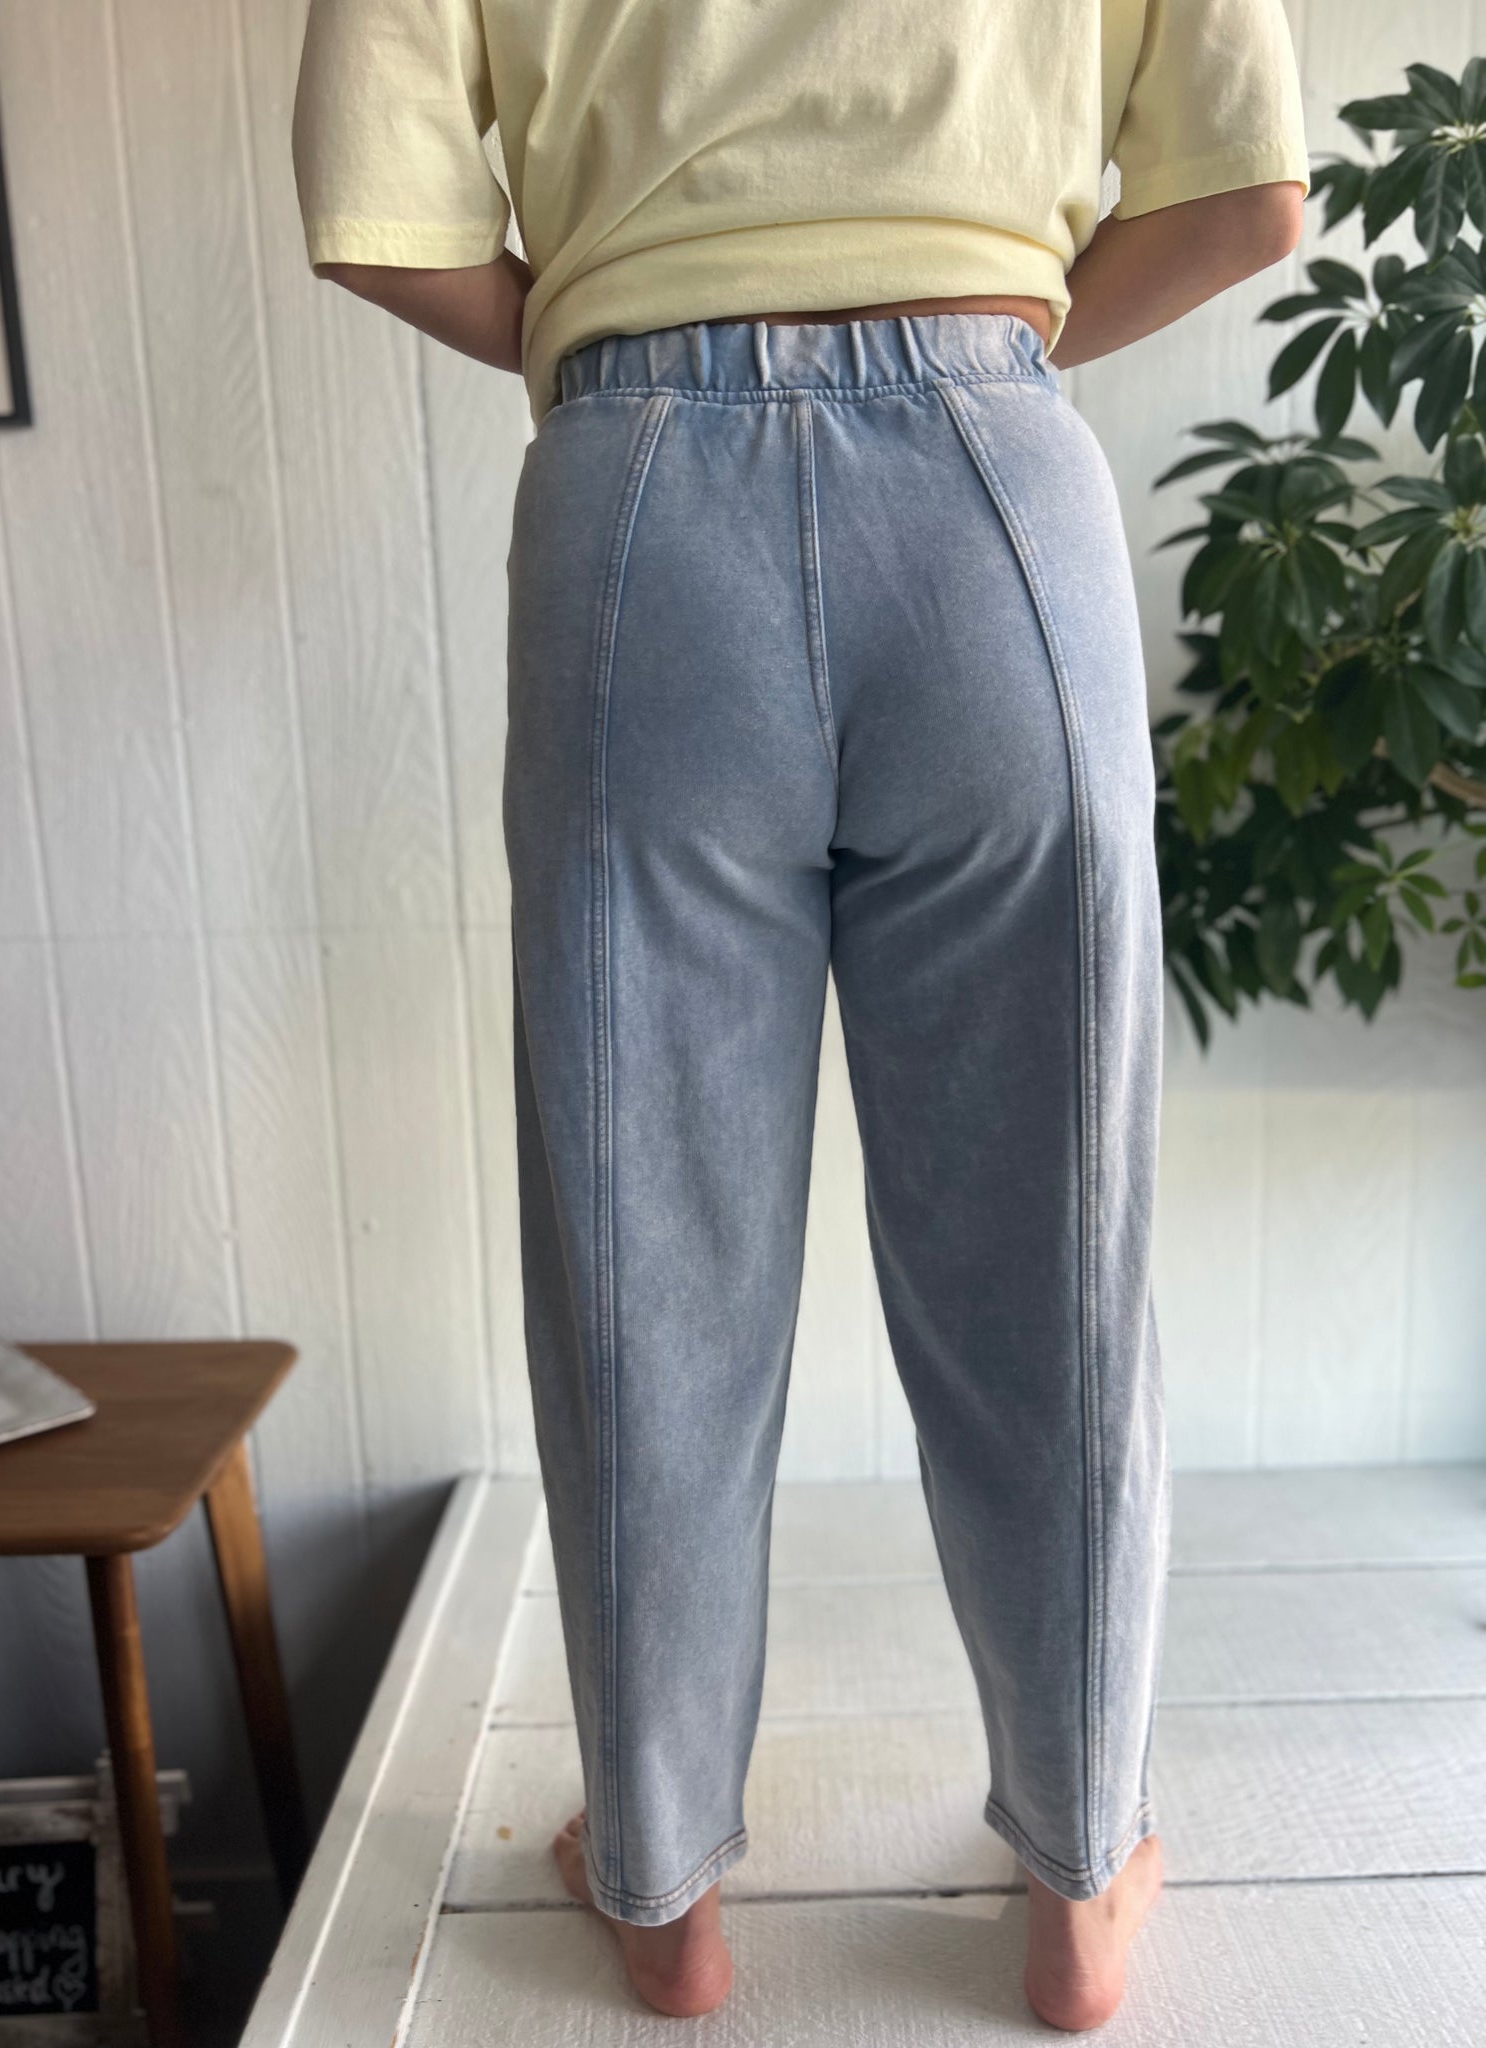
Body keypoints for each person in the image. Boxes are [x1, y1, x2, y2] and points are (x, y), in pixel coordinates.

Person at [291, 0, 1308, 2029]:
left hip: (640, 505)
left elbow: (375, 211)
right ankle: (1079, 1878)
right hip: (994, 489)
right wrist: (987, 341)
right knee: (1051, 1261)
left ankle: (664, 1884)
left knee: (647, 1256)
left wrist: (612, 327)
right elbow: (1249, 197)